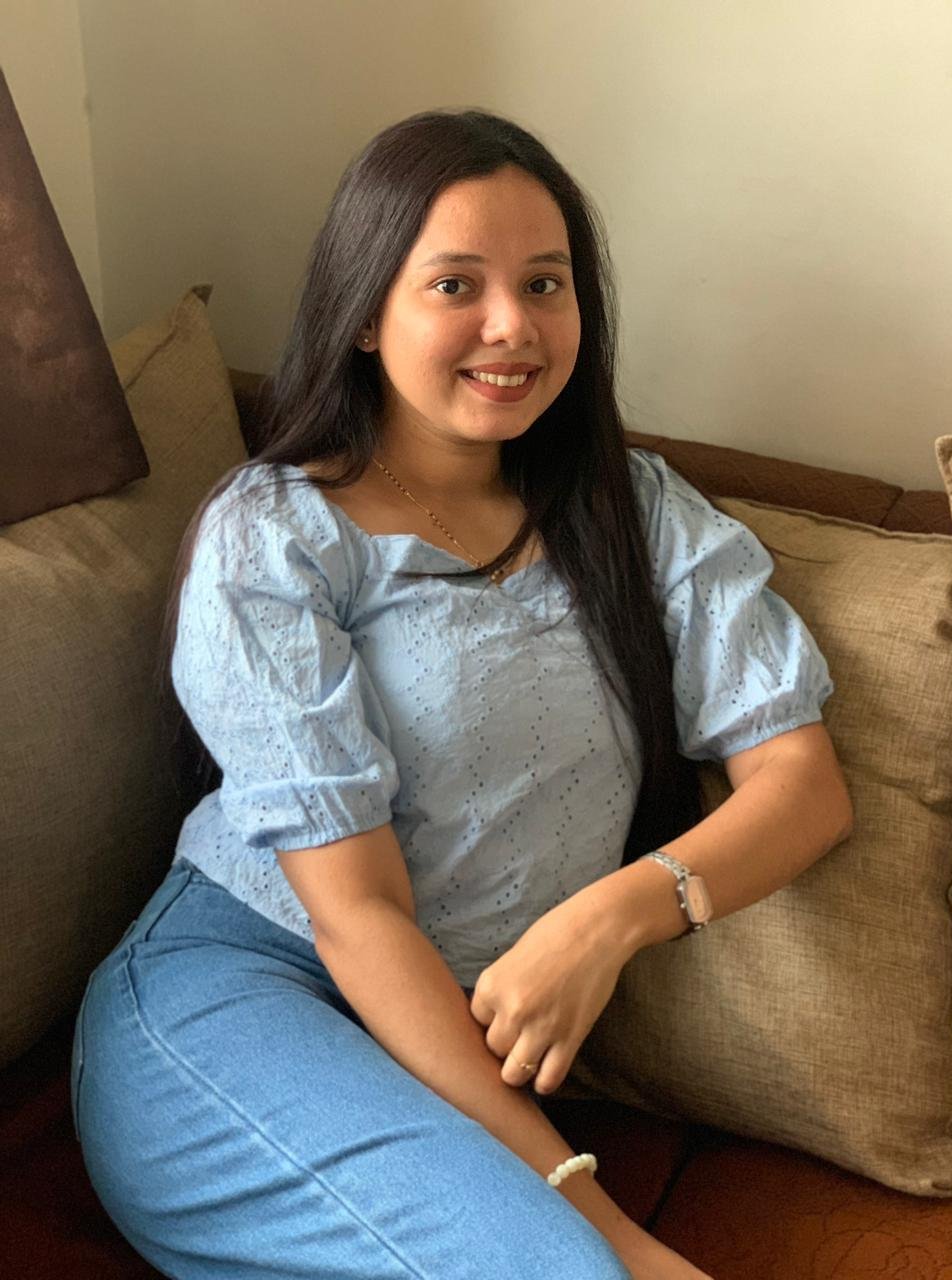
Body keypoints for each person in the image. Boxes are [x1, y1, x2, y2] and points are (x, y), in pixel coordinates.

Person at [71, 109, 853, 1280]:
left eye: (545, 283)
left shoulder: (636, 512)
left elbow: (803, 785)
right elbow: (358, 916)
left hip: (448, 1039)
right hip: (243, 992)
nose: (512, 325)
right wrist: (612, 1229)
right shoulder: (276, 535)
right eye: (455, 284)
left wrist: (612, 916)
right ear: (364, 313)